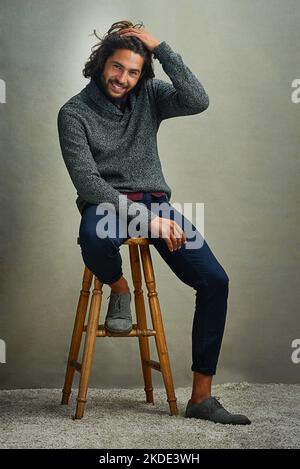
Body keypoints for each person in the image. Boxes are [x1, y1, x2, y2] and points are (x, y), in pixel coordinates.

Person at [57, 20, 251, 425]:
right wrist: (149, 221)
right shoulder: (73, 113)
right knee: (92, 238)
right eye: (117, 68)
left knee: (215, 281)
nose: (123, 79)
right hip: (108, 205)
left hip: (156, 203)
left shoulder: (149, 94)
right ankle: (121, 287)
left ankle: (201, 398)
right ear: (100, 64)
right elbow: (89, 183)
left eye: (132, 72)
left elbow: (198, 100)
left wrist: (161, 47)